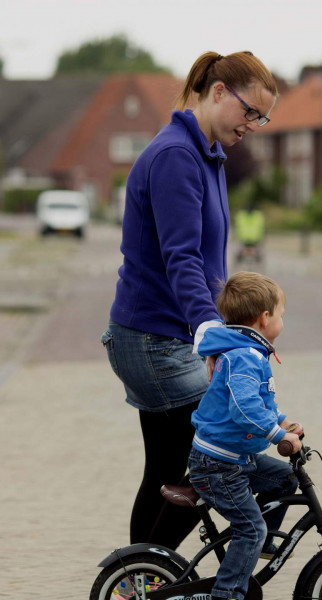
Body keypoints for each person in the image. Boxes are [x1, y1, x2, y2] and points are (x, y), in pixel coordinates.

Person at [101, 51, 278, 550]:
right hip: (155, 339)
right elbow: (181, 258)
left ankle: (137, 581)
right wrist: (212, 334)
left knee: (165, 469)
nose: (254, 125)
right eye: (250, 111)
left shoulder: (206, 155)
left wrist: (235, 317)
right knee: (214, 457)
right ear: (218, 92)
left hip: (159, 336)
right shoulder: (176, 156)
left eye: (262, 117)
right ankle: (149, 581)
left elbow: (209, 262)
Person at [188, 271, 303, 600]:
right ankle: (227, 593)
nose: (283, 321)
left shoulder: (248, 351)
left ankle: (263, 542)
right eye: (282, 315)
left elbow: (259, 401)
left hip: (236, 458)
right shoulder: (244, 356)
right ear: (265, 318)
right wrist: (276, 435)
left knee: (284, 479)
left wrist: (284, 422)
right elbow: (243, 409)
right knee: (250, 529)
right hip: (217, 466)